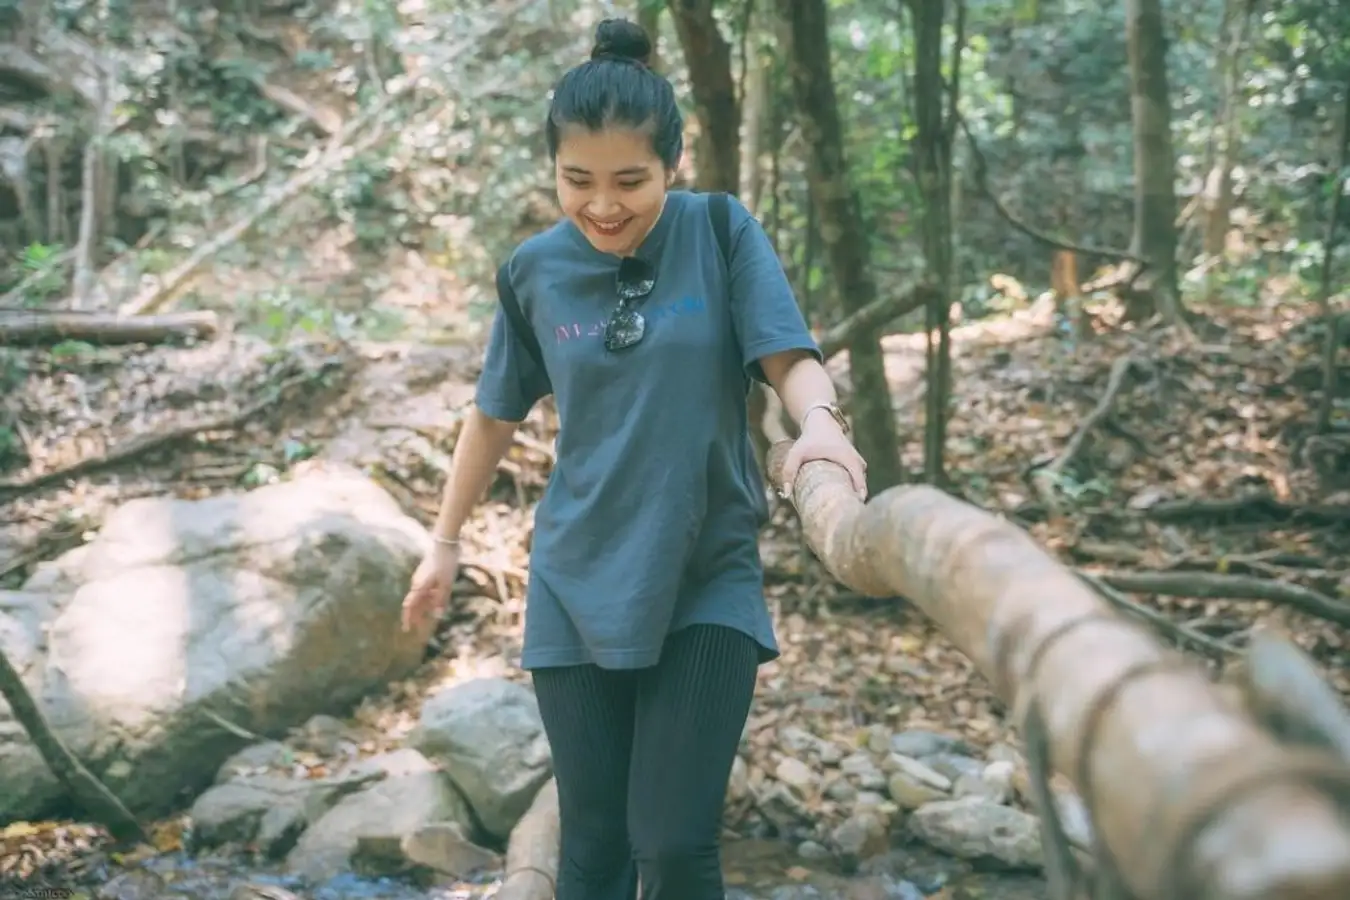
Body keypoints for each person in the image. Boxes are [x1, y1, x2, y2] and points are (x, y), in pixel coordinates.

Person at [400, 17, 869, 900]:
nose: (603, 205)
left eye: (630, 181)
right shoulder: (531, 270)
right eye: (577, 180)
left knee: (675, 843)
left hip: (706, 573)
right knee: (594, 851)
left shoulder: (721, 232)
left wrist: (823, 427)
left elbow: (788, 358)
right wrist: (445, 540)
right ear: (552, 168)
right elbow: (493, 414)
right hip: (575, 583)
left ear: (674, 165)